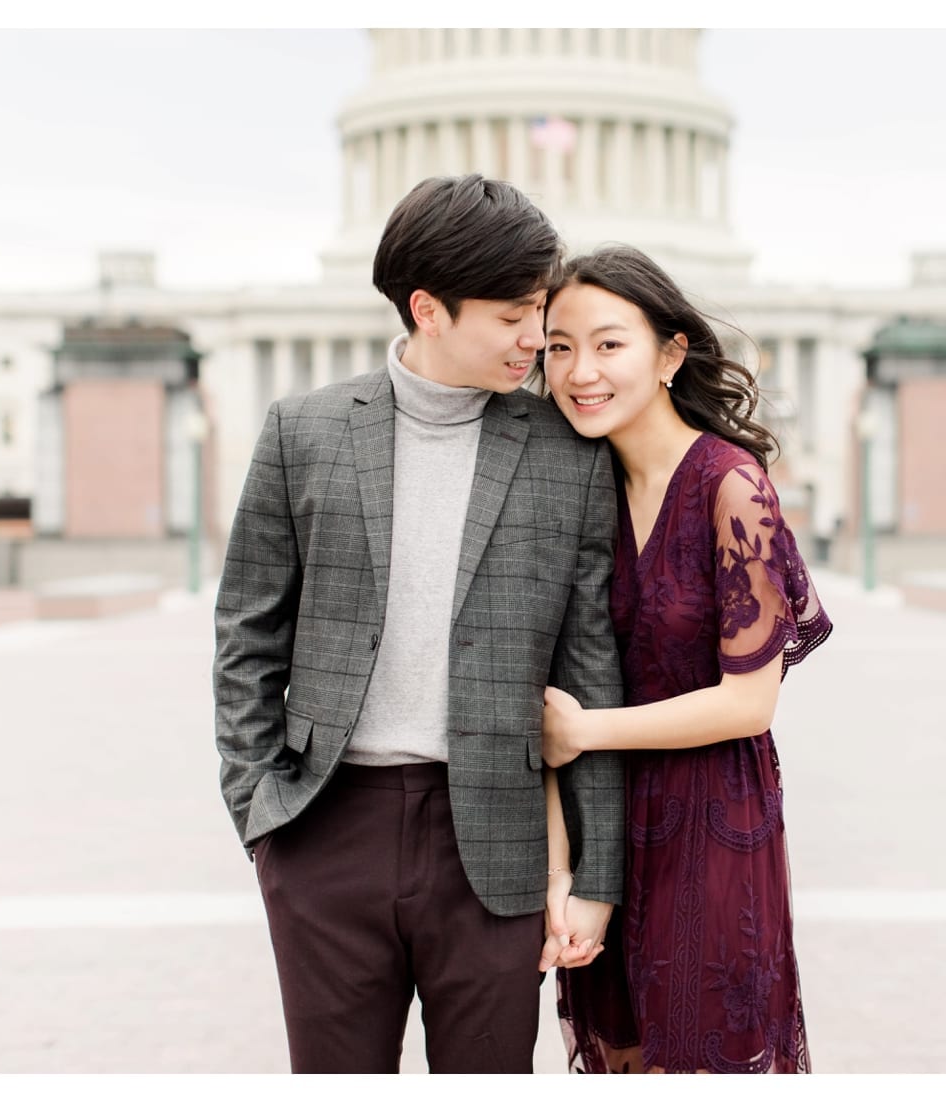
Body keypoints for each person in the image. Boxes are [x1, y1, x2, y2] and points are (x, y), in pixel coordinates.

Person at [212, 174, 625, 1074]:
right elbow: (248, 632)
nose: (535, 338)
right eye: (514, 315)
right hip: (325, 831)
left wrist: (596, 876)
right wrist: (260, 814)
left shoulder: (569, 455)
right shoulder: (303, 432)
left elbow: (592, 669)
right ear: (428, 308)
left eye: (540, 310)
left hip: (497, 843)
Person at [538, 245, 832, 1074]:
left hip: (709, 818)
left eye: (608, 344)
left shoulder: (731, 487)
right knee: (621, 1061)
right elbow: (546, 702)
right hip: (606, 821)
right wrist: (561, 871)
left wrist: (589, 730)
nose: (579, 371)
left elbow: (750, 702)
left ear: (670, 353)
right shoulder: (577, 485)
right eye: (559, 346)